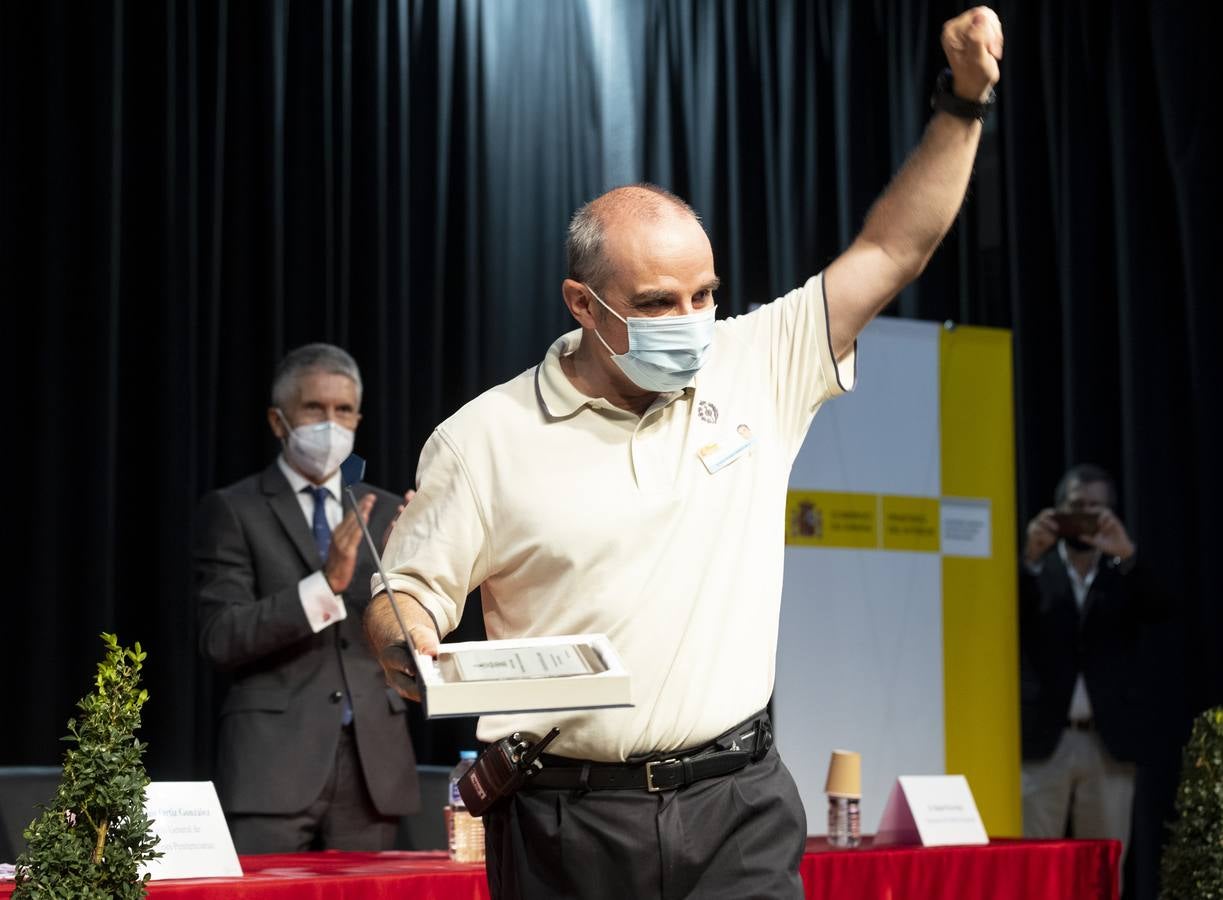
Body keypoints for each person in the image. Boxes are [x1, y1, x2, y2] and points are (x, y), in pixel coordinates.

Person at [367, 8, 1003, 897]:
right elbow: (405, 601)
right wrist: (407, 638)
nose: (691, 323)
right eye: (659, 303)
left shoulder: (755, 366)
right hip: (565, 819)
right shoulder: (483, 439)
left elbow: (893, 246)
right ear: (583, 305)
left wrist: (963, 101)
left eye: (706, 293)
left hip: (737, 805)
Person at [194, 343, 419, 853]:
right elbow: (220, 638)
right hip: (271, 769)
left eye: (343, 411)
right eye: (314, 409)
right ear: (279, 421)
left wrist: (421, 560)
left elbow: (415, 640)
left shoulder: (385, 512)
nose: (330, 424)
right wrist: (325, 585)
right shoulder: (233, 510)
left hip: (373, 771)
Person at [1019, 463, 1161, 873]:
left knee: (1101, 871)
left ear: (1111, 513)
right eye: (1076, 505)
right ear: (1057, 509)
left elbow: (1164, 611)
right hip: (1045, 743)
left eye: (1095, 507)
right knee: (1034, 869)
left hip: (1107, 743)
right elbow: (1004, 614)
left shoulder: (1124, 576)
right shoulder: (1037, 569)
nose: (1084, 516)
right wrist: (1030, 556)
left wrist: (1128, 553)